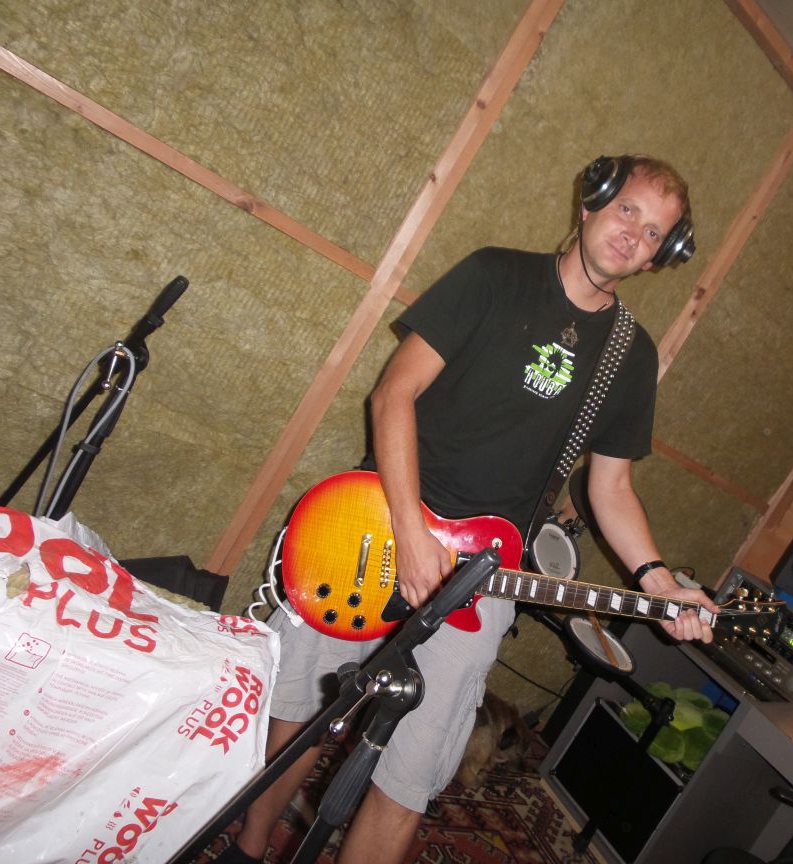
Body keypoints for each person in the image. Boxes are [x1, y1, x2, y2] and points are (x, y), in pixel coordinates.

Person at [226, 154, 718, 864]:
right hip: (375, 524)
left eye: (653, 234)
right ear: (591, 204)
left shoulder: (629, 356)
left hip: (484, 573)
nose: (632, 236)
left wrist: (660, 582)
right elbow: (393, 394)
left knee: (413, 771)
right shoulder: (493, 275)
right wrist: (409, 529)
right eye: (627, 212)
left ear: (658, 257)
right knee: (301, 715)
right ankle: (246, 849)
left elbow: (610, 488)